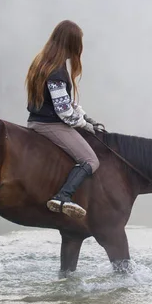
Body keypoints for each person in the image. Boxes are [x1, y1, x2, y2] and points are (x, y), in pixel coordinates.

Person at [25, 20, 103, 219]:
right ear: (71, 43)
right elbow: (64, 112)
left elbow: (66, 102)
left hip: (38, 120)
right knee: (90, 159)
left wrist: (86, 116)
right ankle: (63, 196)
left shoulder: (42, 62)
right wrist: (86, 125)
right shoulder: (57, 72)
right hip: (50, 125)